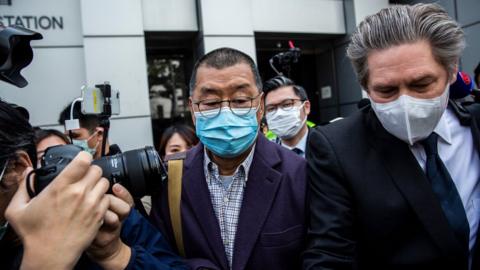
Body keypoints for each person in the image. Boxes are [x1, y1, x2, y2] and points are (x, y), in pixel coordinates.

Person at [304, 3, 480, 270]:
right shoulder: (338, 147)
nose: (405, 102)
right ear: (365, 86)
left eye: (421, 84)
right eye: (386, 90)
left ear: (452, 70)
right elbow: (330, 252)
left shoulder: (476, 123)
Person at [150, 47, 308, 270]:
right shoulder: (169, 178)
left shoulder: (300, 174)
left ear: (260, 106)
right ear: (192, 110)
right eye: (211, 103)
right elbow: (157, 255)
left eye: (241, 100)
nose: (226, 112)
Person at [0, 100, 188, 269]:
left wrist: (117, 255)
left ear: (19, 167)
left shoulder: (104, 211)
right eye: (48, 161)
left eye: (65, 155)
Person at [263, 76, 311, 157]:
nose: (278, 114)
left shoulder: (330, 145)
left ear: (306, 107)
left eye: (287, 104)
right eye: (271, 109)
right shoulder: (265, 155)